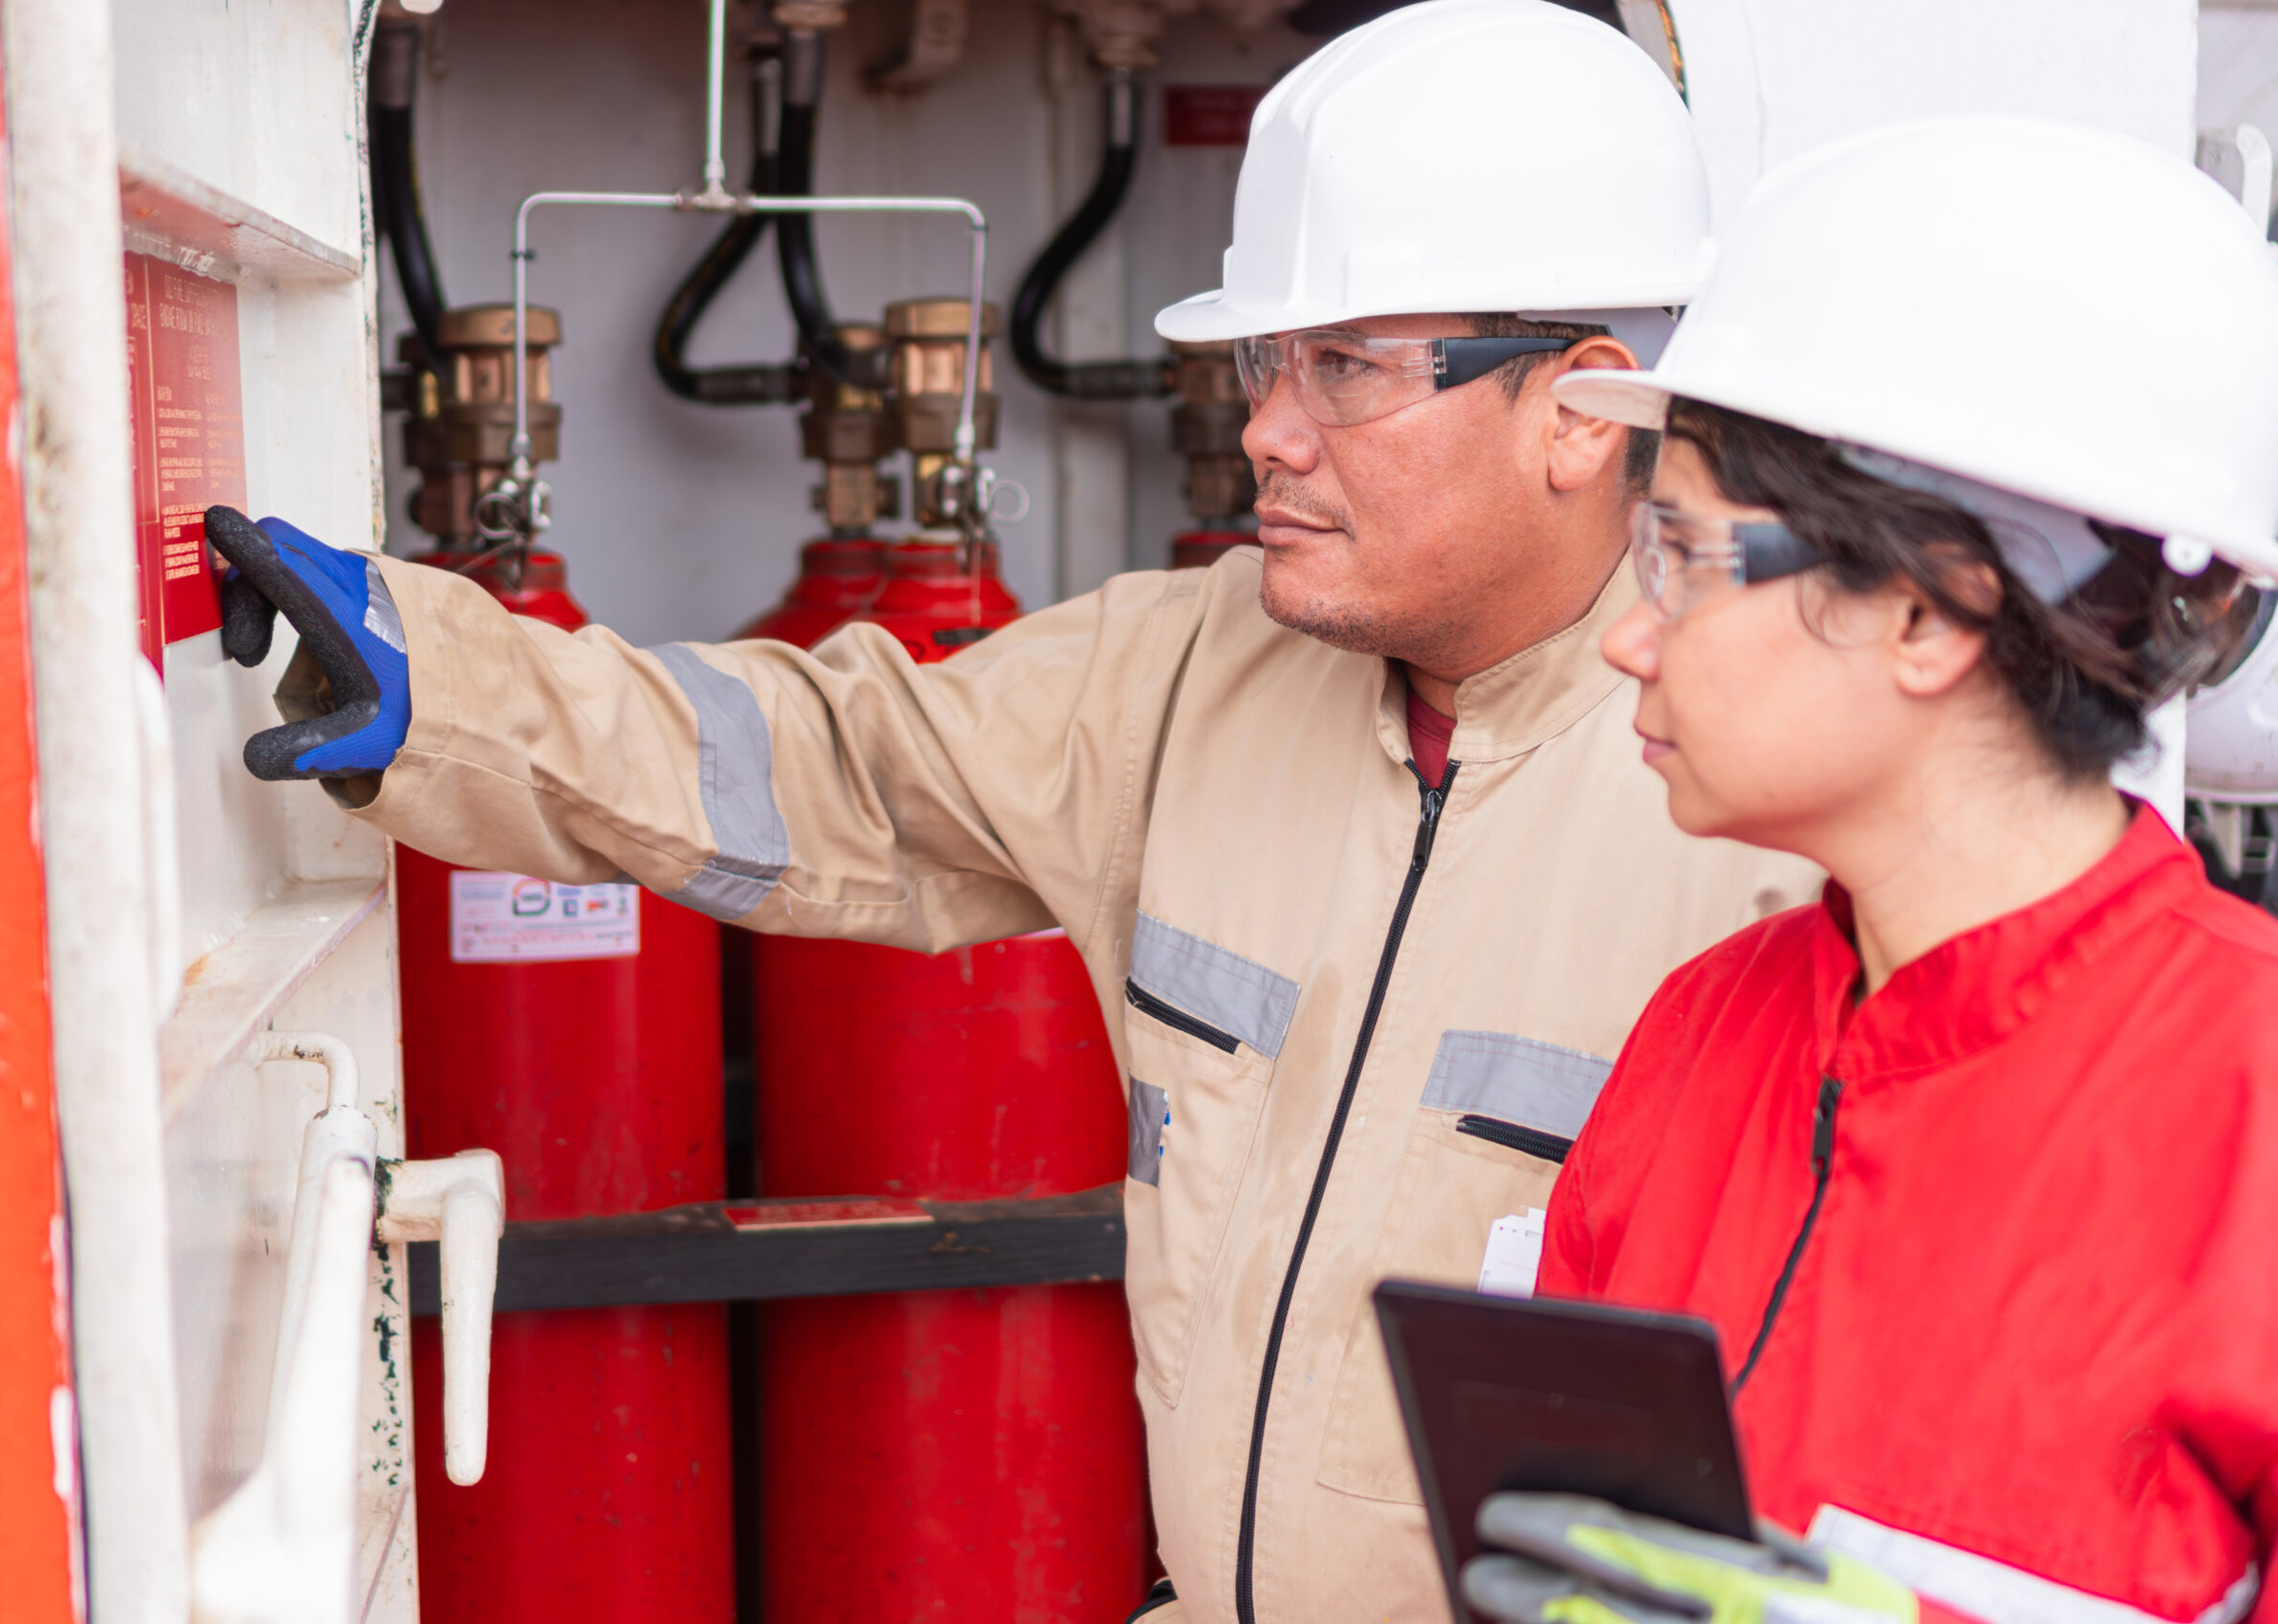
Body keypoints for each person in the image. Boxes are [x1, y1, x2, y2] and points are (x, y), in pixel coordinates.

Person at [208, 4, 1817, 1618]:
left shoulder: (1768, 822)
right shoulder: (1200, 670)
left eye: (1345, 368)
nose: (1267, 427)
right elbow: (834, 763)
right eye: (1267, 362)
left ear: (1580, 408)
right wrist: (446, 683)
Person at [1463, 116, 2278, 1624]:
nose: (1629, 638)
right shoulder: (1706, 1028)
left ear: (1935, 610)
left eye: (1684, 558)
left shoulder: (2250, 1099)